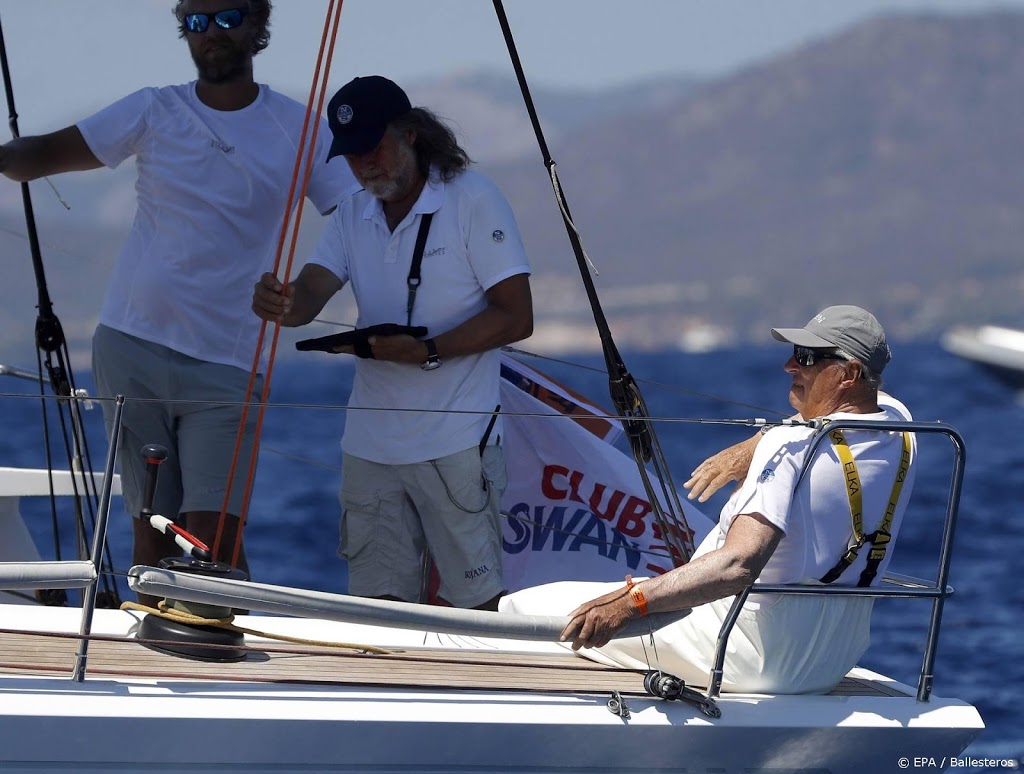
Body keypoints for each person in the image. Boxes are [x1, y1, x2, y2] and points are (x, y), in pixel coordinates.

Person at [0, 0, 359, 605]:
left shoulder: (299, 129)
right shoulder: (154, 109)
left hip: (228, 363)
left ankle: (219, 648)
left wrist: (305, 294)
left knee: (214, 544)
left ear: (258, 24)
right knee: (152, 533)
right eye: (196, 21)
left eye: (227, 17)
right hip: (130, 347)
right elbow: (33, 159)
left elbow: (356, 218)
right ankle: (158, 652)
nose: (210, 32)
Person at [252, 76, 534, 611]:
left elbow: (517, 316)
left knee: (477, 607)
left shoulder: (473, 199)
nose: (364, 164)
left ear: (411, 134)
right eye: (351, 154)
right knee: (376, 611)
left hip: (457, 443)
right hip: (369, 447)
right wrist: (280, 301)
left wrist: (429, 350)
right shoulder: (351, 213)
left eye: (373, 147)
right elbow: (307, 296)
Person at [532, 305, 917, 694]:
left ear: (849, 374)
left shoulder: (789, 448)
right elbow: (862, 403)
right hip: (831, 658)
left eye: (807, 357)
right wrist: (757, 441)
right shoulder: (902, 428)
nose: (789, 366)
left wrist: (630, 603)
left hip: (743, 652)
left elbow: (738, 565)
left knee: (523, 609)